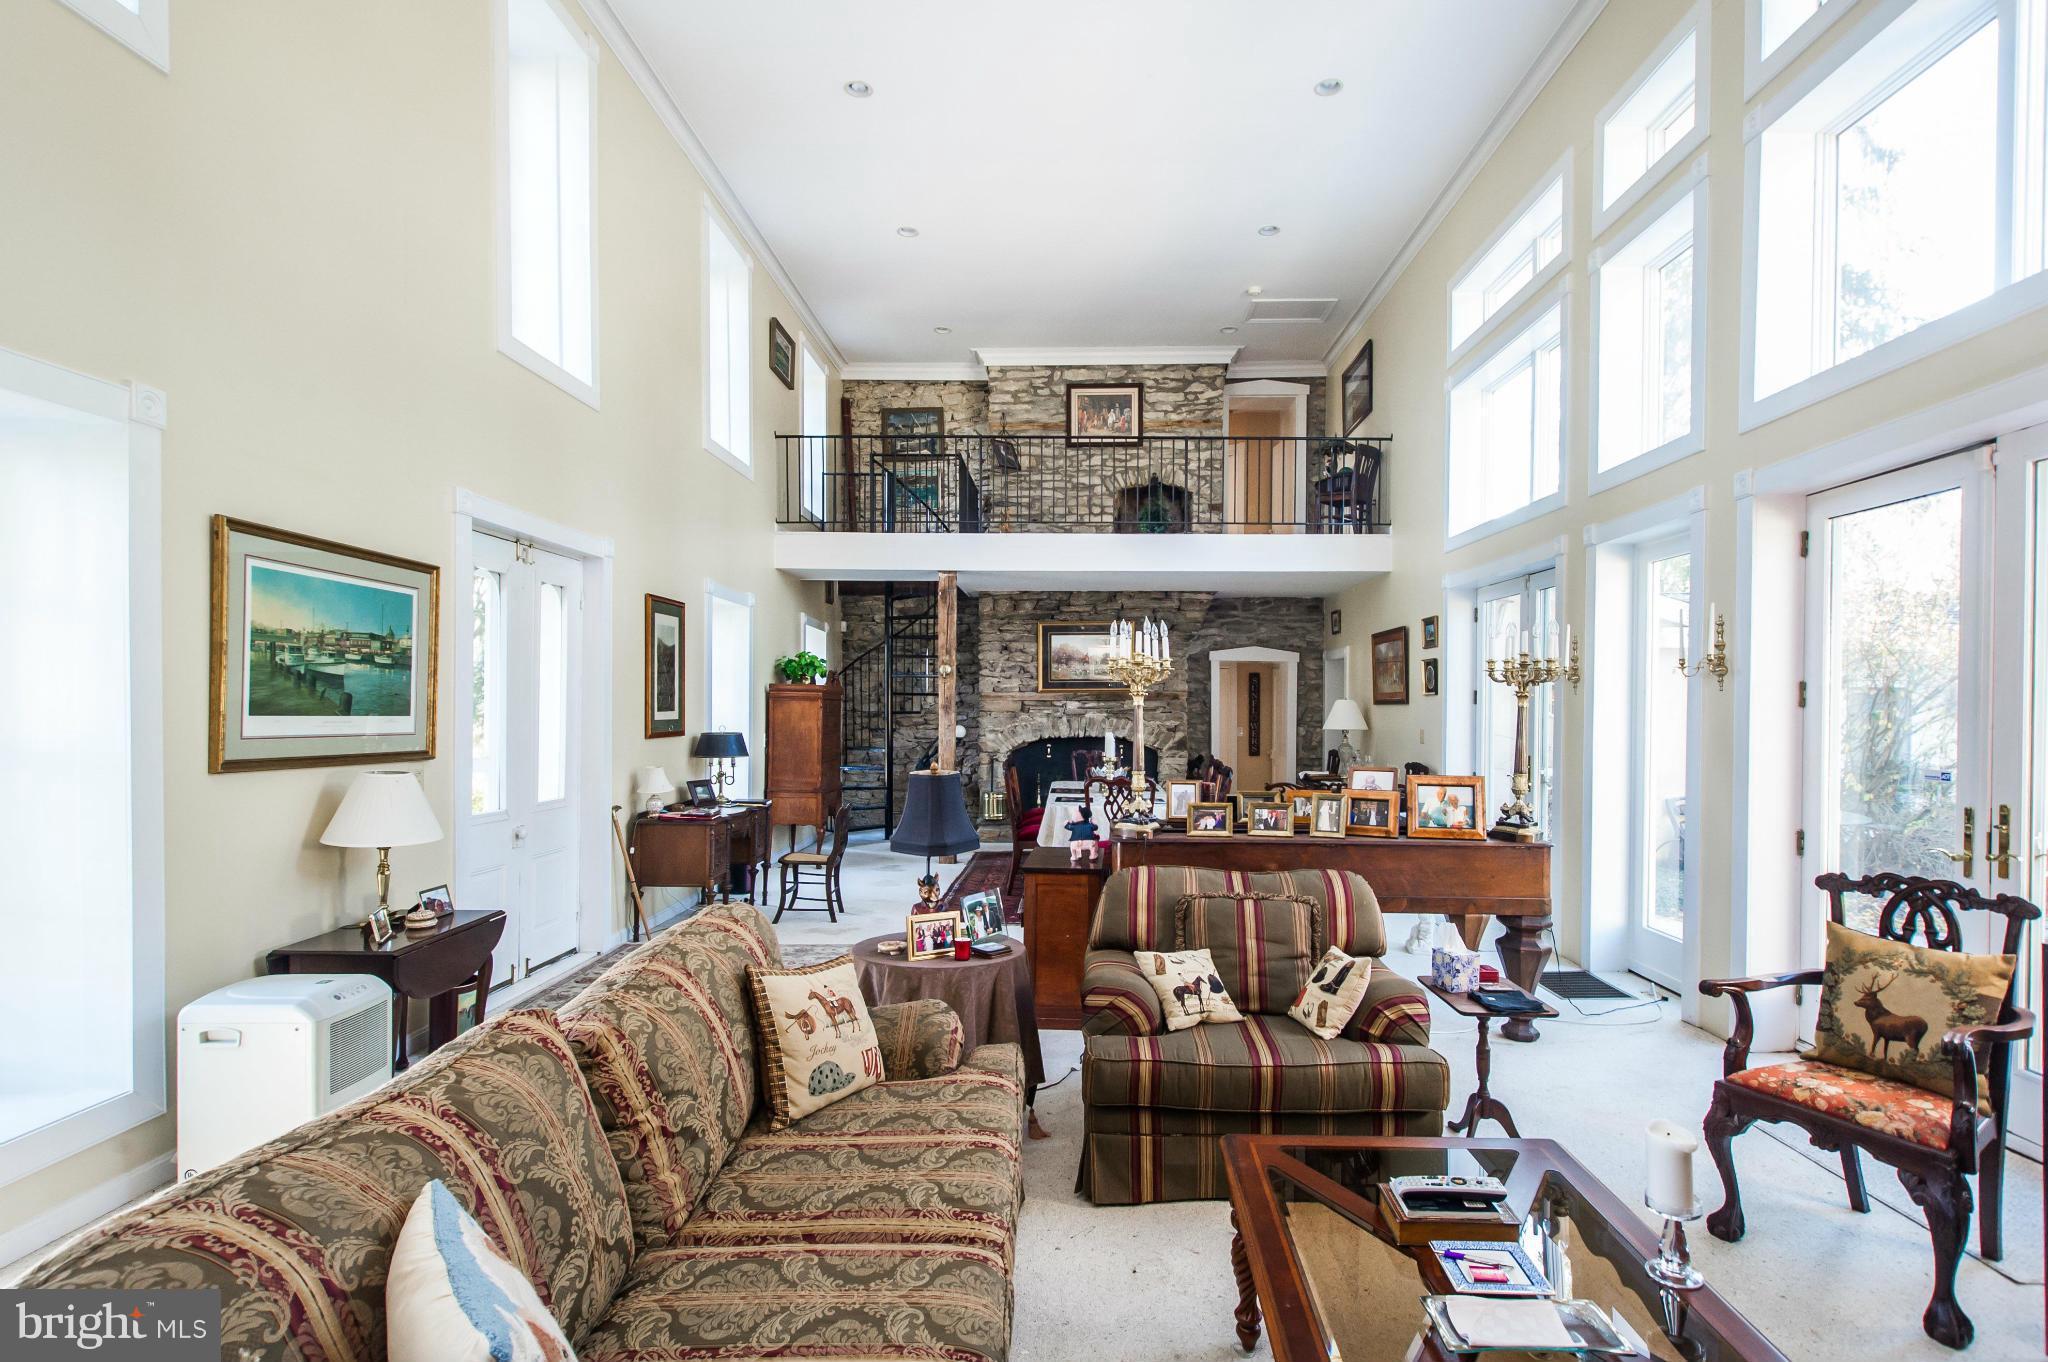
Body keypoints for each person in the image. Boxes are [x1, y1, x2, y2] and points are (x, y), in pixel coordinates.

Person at [1066, 800, 1102, 866]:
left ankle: (1074, 856)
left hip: (1075, 843)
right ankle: (1093, 855)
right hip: (1089, 842)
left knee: (1072, 847)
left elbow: (1068, 827)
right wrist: (1093, 823)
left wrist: (1066, 823)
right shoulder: (1089, 825)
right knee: (1093, 846)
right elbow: (1095, 827)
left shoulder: (1074, 826)